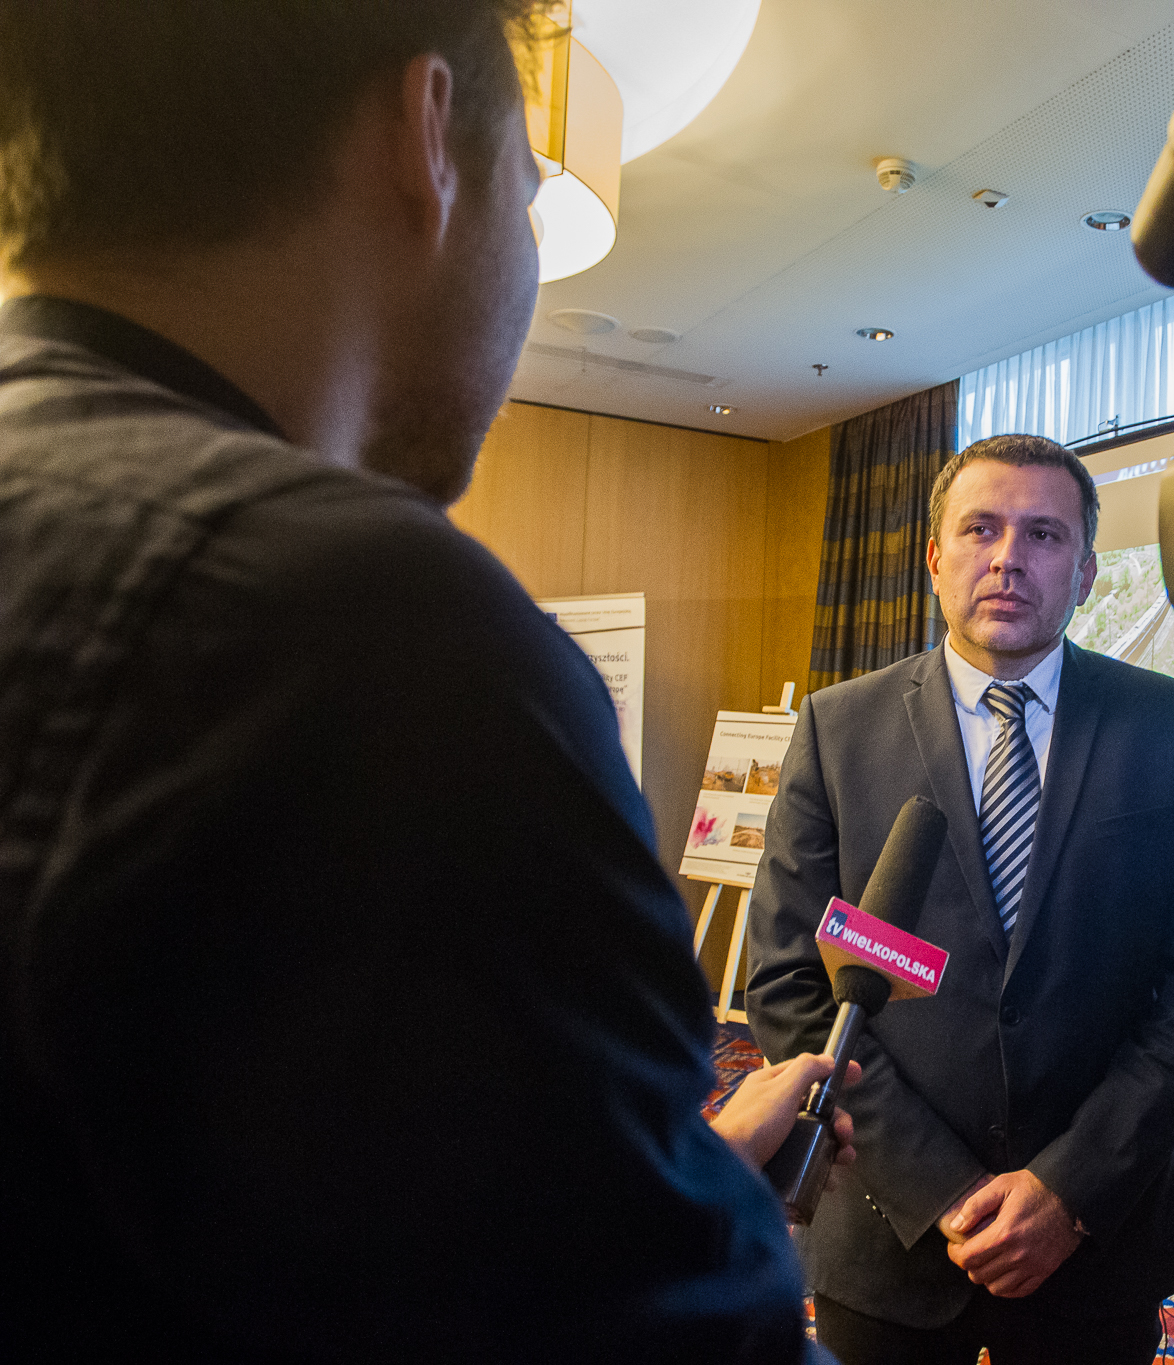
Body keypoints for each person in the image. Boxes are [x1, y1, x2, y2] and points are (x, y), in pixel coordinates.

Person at [0, 3, 848, 1359]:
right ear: (427, 137)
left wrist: (663, 1179)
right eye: (532, 193)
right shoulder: (366, 635)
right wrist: (693, 1247)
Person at [747, 433, 1174, 1364]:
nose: (1008, 557)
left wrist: (1068, 1191)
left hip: (1099, 1235)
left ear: (1088, 571)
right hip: (888, 1229)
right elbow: (788, 981)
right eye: (980, 528)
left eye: (1044, 534)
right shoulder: (836, 728)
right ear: (935, 558)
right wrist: (940, 1190)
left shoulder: (1173, 729)